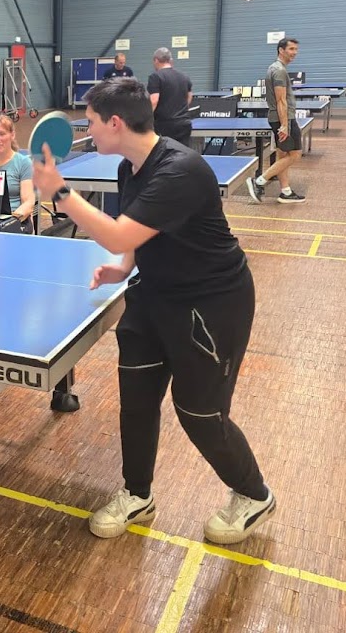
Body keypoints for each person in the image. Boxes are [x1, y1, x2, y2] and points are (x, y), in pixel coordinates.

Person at [31, 78, 275, 545]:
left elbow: (118, 233)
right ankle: (137, 494)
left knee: (200, 413)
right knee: (137, 401)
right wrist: (123, 268)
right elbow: (135, 233)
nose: (87, 130)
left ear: (115, 123)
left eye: (91, 122)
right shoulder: (130, 168)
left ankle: (253, 494)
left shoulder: (179, 170)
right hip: (153, 296)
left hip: (210, 305)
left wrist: (60, 192)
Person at [246, 38, 306, 203]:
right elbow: (281, 100)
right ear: (281, 50)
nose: (295, 52)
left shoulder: (275, 68)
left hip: (278, 118)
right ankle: (259, 181)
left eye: (296, 49)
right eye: (291, 49)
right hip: (284, 119)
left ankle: (285, 192)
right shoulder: (279, 71)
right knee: (295, 155)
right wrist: (285, 125)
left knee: (282, 154)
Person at [146, 48, 193, 145]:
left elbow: (154, 100)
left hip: (164, 125)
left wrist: (145, 119)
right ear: (169, 60)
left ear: (156, 60)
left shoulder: (155, 77)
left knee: (163, 153)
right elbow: (189, 96)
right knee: (182, 152)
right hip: (184, 123)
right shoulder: (184, 76)